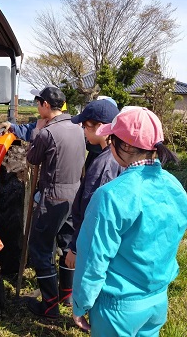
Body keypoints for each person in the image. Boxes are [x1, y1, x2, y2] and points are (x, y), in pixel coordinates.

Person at [72, 106, 187, 337]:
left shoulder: (110, 195)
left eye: (112, 138)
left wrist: (81, 303)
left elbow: (93, 257)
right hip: (157, 299)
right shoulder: (174, 185)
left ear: (123, 144)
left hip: (117, 306)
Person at [21, 86, 86, 319]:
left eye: (38, 104)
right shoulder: (78, 128)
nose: (37, 108)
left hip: (54, 195)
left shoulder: (48, 133)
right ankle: (66, 294)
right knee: (68, 243)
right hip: (75, 194)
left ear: (46, 105)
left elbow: (32, 158)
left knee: (39, 247)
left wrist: (36, 132)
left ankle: (49, 306)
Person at [64, 99, 124, 327]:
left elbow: (93, 212)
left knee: (97, 285)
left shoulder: (104, 164)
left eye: (85, 126)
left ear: (100, 127)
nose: (82, 130)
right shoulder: (109, 155)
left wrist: (75, 248)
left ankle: (93, 318)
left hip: (93, 242)